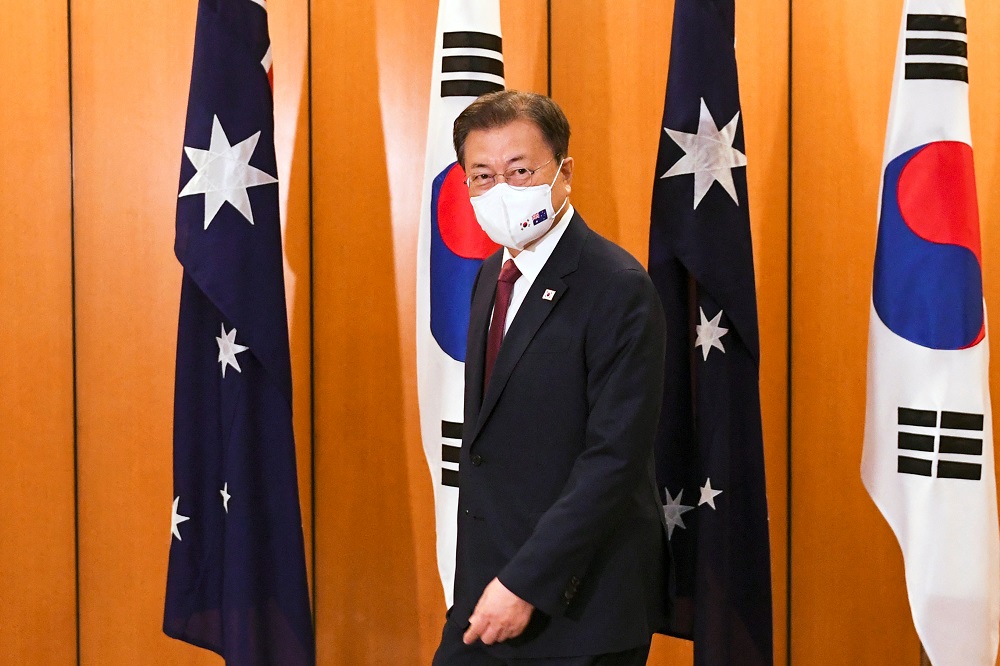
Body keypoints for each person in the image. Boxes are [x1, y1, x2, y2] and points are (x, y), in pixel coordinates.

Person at [432, 90, 670, 666]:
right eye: (481, 175)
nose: (501, 190)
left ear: (564, 171)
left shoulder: (617, 286)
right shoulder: (494, 272)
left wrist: (526, 585)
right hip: (487, 591)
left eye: (520, 170)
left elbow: (612, 461)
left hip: (575, 605)